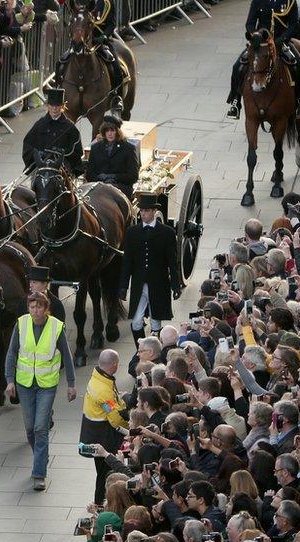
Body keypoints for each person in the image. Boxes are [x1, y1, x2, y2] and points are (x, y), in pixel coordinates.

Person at [5, 292, 76, 491]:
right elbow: (12, 353)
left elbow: (67, 356)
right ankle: (41, 457)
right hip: (24, 383)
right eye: (32, 307)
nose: (35, 311)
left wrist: (71, 383)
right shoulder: (21, 324)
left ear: (46, 308)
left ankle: (39, 473)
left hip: (47, 385)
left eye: (39, 307)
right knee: (29, 428)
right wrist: (9, 380)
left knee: (40, 428)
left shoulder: (55, 327)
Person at [226, 0, 300, 120]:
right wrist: (255, 36)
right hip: (261, 44)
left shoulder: (289, 1)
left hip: (281, 41)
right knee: (237, 66)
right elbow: (250, 23)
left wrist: (282, 39)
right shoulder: (258, 1)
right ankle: (235, 102)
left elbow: (294, 24)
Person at [119, 197, 180, 344]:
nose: (143, 214)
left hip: (159, 284)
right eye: (142, 211)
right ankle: (139, 349)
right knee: (136, 321)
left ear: (154, 211)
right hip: (139, 284)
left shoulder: (167, 233)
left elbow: (172, 262)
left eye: (146, 211)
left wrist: (175, 286)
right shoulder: (132, 232)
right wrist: (123, 286)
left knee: (155, 321)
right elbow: (127, 262)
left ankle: (155, 349)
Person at [80, 349, 127, 504]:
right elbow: (114, 419)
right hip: (104, 436)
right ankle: (100, 502)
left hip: (94, 432)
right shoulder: (103, 390)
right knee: (105, 472)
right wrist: (129, 428)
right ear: (114, 365)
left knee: (101, 470)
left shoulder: (98, 378)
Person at [22, 88, 83, 176]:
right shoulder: (40, 124)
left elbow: (77, 151)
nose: (54, 109)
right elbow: (28, 145)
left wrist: (62, 153)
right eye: (52, 105)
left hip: (62, 167)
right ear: (48, 106)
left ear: (62, 107)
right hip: (41, 165)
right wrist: (38, 154)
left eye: (57, 106)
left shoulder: (69, 127)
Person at [86, 112, 140, 199]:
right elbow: (89, 174)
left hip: (121, 188)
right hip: (98, 186)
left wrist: (114, 177)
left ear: (117, 131)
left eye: (112, 130)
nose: (110, 133)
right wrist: (101, 178)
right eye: (107, 130)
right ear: (103, 131)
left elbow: (133, 176)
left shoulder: (128, 148)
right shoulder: (96, 148)